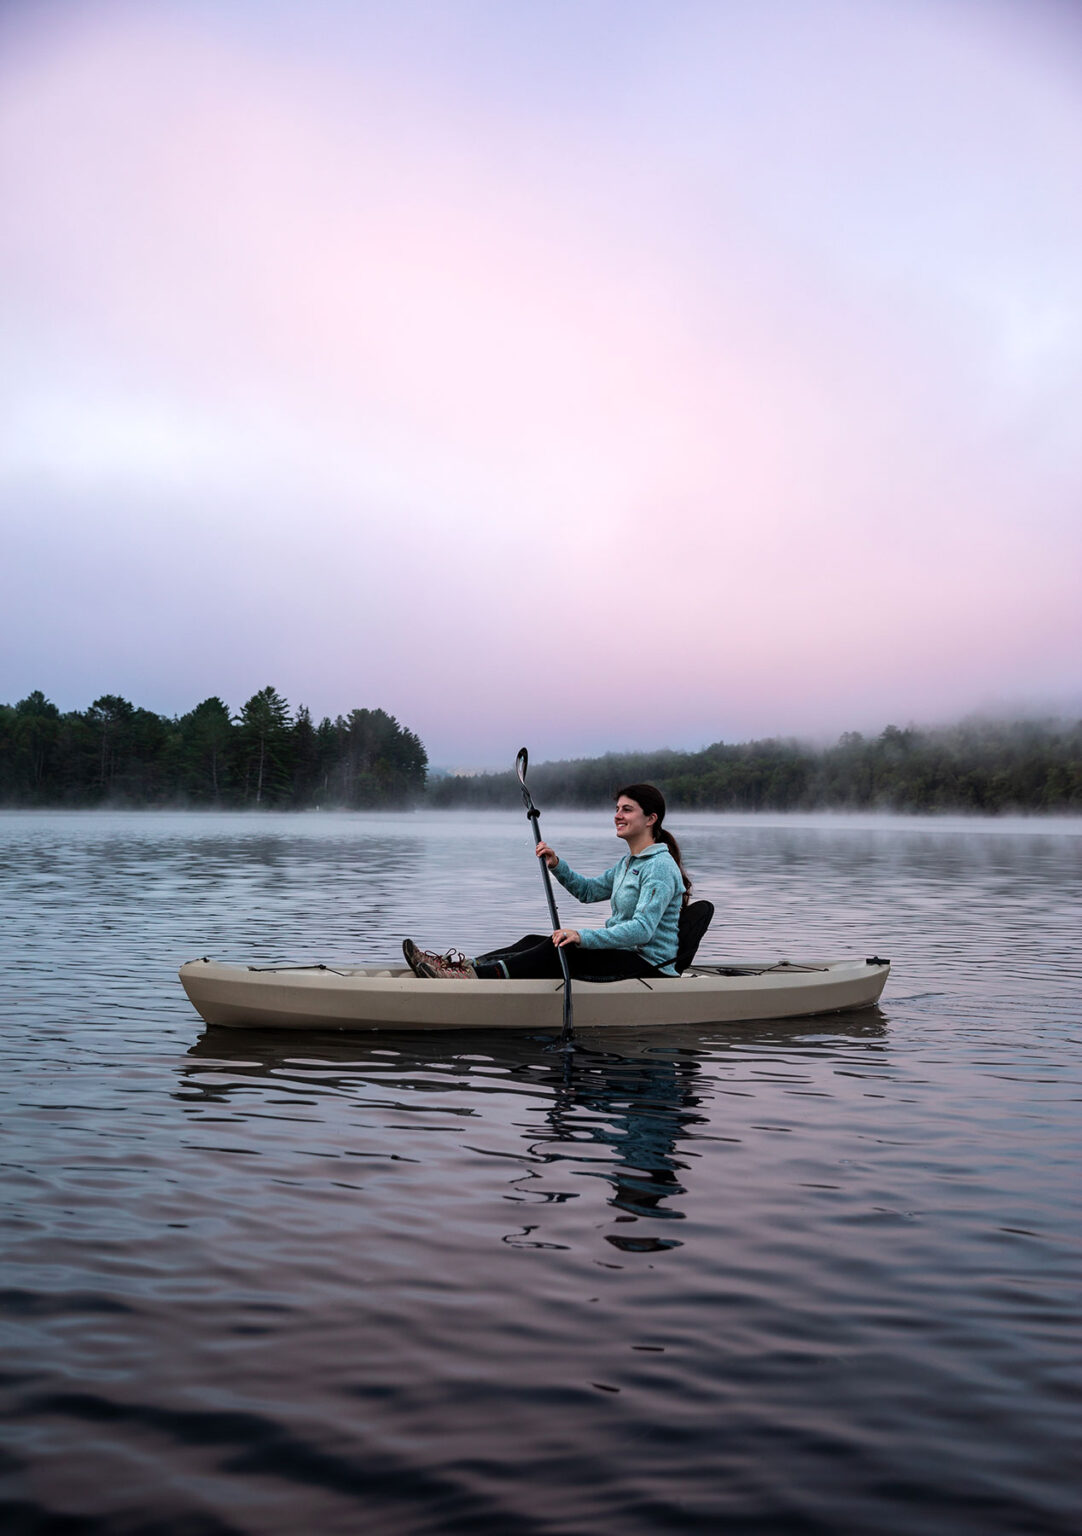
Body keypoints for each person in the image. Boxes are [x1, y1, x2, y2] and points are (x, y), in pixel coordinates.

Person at [402, 783, 690, 980]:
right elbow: (588, 891)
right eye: (617, 808)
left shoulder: (660, 868)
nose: (617, 815)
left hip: (649, 966)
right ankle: (461, 966)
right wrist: (556, 864)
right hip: (622, 954)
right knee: (533, 941)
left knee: (558, 949)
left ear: (651, 818)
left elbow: (642, 931)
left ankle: (469, 978)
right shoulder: (629, 863)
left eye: (627, 809)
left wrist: (581, 936)